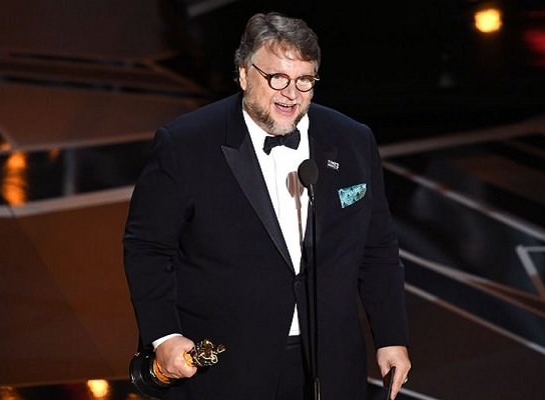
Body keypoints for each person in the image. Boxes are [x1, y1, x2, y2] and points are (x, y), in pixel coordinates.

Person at [123, 11, 411, 400]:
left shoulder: (353, 140)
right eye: (277, 77)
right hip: (226, 367)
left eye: (304, 80)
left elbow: (377, 247)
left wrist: (391, 335)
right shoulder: (186, 145)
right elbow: (147, 248)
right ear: (244, 74)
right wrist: (165, 335)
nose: (291, 94)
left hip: (330, 362)